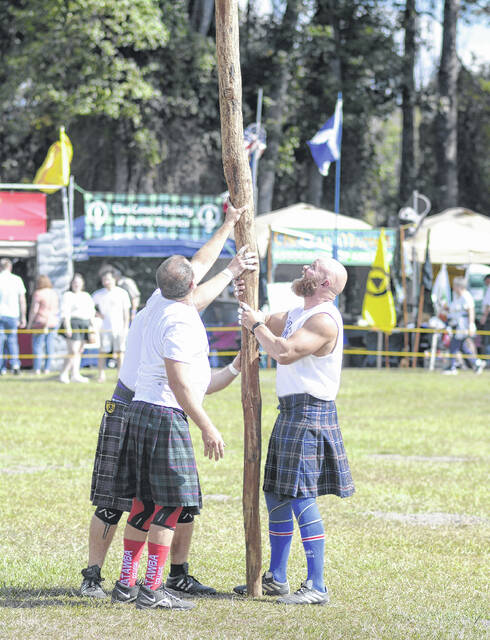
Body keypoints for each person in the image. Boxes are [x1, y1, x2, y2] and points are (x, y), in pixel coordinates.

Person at [80, 202, 257, 606]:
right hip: (144, 408)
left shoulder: (164, 301)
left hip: (146, 406)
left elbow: (198, 263)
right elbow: (182, 384)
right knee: (131, 501)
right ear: (190, 287)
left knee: (149, 501)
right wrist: (231, 272)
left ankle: (145, 581)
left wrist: (229, 225)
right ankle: (125, 582)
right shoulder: (176, 316)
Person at [234, 257, 354, 605]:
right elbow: (259, 319)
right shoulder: (297, 313)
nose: (306, 269)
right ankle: (277, 577)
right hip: (290, 413)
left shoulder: (324, 320)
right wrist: (245, 295)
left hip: (310, 413)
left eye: (314, 268)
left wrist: (257, 325)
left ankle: (317, 585)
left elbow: (283, 351)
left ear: (326, 284)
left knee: (302, 496)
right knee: (276, 494)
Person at [92, 270, 131, 383]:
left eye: (109, 279)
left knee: (120, 352)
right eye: (104, 279)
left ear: (115, 279)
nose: (106, 281)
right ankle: (101, 374)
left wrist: (125, 327)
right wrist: (98, 315)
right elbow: (90, 307)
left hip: (119, 328)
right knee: (103, 351)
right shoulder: (98, 294)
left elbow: (126, 312)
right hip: (104, 328)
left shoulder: (122, 293)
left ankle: (120, 375)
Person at [443, 276, 484, 375]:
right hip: (456, 324)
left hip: (462, 325)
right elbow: (454, 309)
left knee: (454, 345)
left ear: (459, 286)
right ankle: (477, 363)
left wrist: (471, 324)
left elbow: (470, 311)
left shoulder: (466, 296)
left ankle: (452, 367)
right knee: (462, 347)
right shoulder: (457, 297)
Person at [59, 273, 96, 384]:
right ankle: (64, 373)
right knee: (73, 351)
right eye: (74, 283)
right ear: (71, 284)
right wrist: (67, 326)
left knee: (79, 350)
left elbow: (91, 312)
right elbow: (65, 312)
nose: (76, 285)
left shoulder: (86, 296)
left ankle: (75, 374)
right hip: (73, 323)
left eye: (78, 283)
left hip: (84, 324)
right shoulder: (68, 295)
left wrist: (92, 327)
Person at [27, 275, 59, 374]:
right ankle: (47, 369)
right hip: (52, 322)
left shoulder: (38, 293)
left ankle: (36, 369)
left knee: (37, 346)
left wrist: (29, 324)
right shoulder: (54, 293)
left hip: (40, 322)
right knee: (50, 346)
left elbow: (34, 310)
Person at [0, 258, 27, 375]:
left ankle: (2, 368)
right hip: (13, 314)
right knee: (12, 341)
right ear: (10, 267)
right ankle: (15, 365)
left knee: (0, 341)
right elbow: (22, 300)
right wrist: (23, 317)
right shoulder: (17, 280)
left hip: (1, 314)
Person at [480, 273, 490, 362]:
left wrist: (484, 317)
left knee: (487, 339)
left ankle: (487, 361)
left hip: (488, 319)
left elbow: (488, 305)